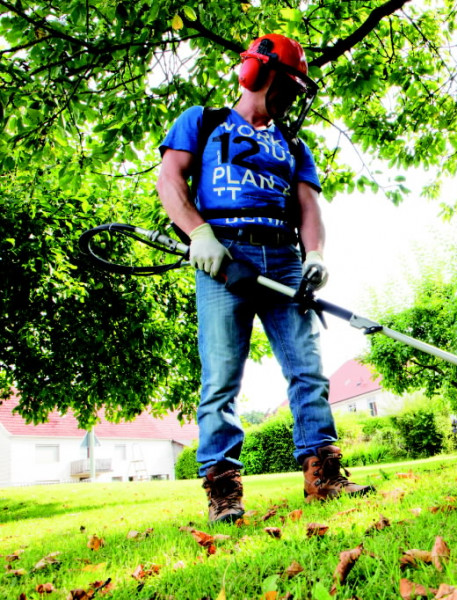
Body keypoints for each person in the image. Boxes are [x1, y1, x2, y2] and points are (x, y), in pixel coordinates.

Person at [157, 33, 373, 523]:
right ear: (258, 74)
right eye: (290, 86)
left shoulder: (292, 144)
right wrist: (200, 234)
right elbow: (170, 179)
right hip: (224, 259)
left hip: (283, 261)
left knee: (308, 369)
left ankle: (324, 475)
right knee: (221, 377)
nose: (294, 98)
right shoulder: (204, 122)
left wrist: (314, 253)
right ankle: (223, 491)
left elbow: (308, 206)